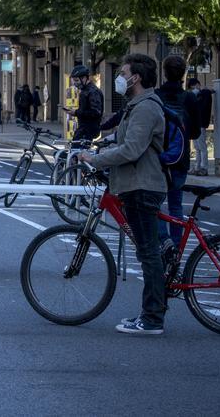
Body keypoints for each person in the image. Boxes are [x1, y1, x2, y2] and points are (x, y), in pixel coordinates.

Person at [79, 53, 167, 335]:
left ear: (135, 77)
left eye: (123, 72)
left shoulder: (146, 107)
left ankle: (152, 318)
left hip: (142, 185)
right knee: (148, 250)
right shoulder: (136, 105)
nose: (119, 77)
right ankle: (152, 311)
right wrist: (97, 144)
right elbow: (123, 138)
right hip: (134, 183)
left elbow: (132, 149)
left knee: (148, 253)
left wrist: (96, 160)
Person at [155, 55, 198, 251]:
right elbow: (196, 132)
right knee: (176, 205)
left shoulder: (156, 96)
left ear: (163, 73)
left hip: (157, 159)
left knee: (154, 204)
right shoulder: (189, 98)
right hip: (180, 159)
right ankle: (177, 251)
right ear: (183, 74)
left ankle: (164, 241)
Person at [64, 65, 104, 142]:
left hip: (88, 131)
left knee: (77, 152)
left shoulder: (93, 91)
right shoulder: (85, 90)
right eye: (74, 81)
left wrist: (76, 112)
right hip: (83, 129)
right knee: (75, 151)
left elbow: (96, 112)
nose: (75, 83)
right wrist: (75, 112)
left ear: (84, 78)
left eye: (76, 80)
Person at [187, 78, 213, 175]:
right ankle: (197, 167)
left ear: (197, 84)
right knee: (197, 147)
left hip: (201, 123)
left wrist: (202, 91)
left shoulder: (204, 94)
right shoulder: (201, 94)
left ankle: (203, 167)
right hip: (196, 123)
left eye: (193, 87)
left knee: (201, 147)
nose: (193, 89)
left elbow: (205, 94)